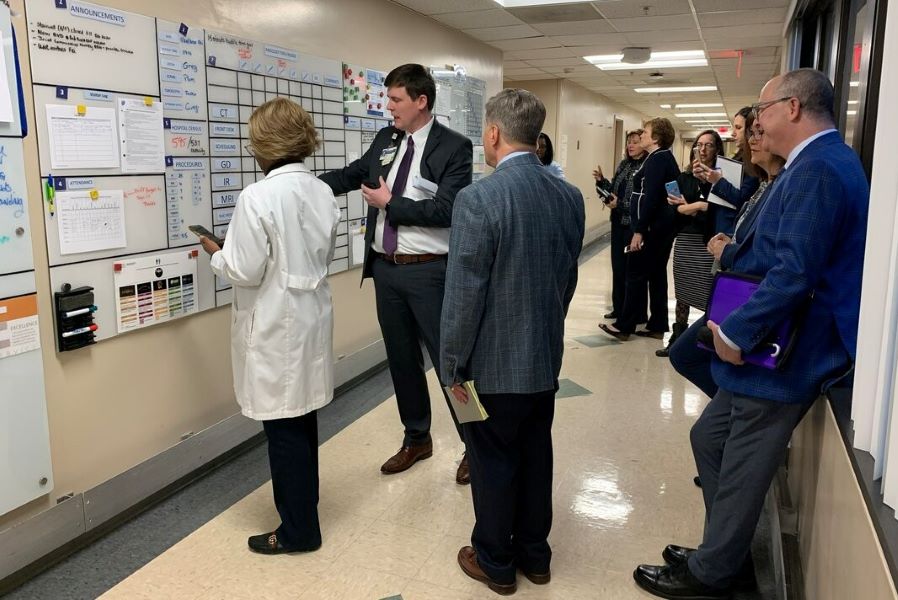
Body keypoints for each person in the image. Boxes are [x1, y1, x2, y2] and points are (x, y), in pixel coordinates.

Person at [635, 69, 869, 599]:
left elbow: (795, 272)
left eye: (762, 110)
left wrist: (737, 333)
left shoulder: (819, 169)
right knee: (709, 437)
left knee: (739, 462)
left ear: (793, 107)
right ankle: (726, 550)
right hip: (780, 340)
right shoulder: (816, 163)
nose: (756, 122)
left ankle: (715, 572)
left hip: (789, 351)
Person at [441, 88, 584, 595]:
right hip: (543, 359)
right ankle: (535, 555)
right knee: (535, 455)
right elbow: (566, 279)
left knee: (493, 460)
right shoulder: (569, 196)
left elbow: (464, 296)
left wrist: (451, 365)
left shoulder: (478, 199)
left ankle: (495, 561)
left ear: (494, 133)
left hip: (491, 366)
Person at [319, 64, 473, 483]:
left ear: (421, 101)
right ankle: (417, 438)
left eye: (395, 99)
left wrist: (390, 204)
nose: (388, 106)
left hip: (430, 273)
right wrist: (300, 183)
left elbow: (449, 210)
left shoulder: (454, 147)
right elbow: (352, 174)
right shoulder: (386, 139)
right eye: (388, 98)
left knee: (452, 364)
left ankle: (476, 445)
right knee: (402, 362)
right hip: (387, 271)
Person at [200, 98, 340, 555]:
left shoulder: (257, 196)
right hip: (309, 317)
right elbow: (317, 253)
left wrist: (217, 254)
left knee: (284, 433)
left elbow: (244, 269)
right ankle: (304, 515)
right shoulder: (320, 190)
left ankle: (298, 531)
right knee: (302, 422)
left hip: (277, 326)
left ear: (264, 144)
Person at [600, 118, 679, 341]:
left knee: (634, 273)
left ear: (655, 138)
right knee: (656, 275)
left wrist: (639, 230)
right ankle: (657, 324)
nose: (641, 135)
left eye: (645, 132)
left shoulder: (657, 160)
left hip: (651, 229)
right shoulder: (664, 158)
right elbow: (670, 192)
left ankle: (624, 326)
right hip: (662, 228)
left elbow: (650, 197)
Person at [657, 131, 724, 357]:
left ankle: (708, 340)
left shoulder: (720, 180)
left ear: (717, 149)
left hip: (708, 242)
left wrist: (691, 207)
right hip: (685, 240)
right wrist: (699, 207)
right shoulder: (684, 178)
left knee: (707, 291)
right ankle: (677, 338)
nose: (703, 150)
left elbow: (717, 213)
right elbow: (674, 211)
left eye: (709, 145)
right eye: (699, 145)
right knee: (682, 291)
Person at [594, 130, 646, 320]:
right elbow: (614, 190)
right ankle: (619, 309)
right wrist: (602, 182)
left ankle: (635, 313)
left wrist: (620, 205)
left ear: (644, 144)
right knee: (618, 268)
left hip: (634, 226)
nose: (630, 145)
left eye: (635, 142)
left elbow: (641, 201)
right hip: (617, 223)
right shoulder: (624, 164)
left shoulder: (645, 167)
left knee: (632, 270)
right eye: (628, 142)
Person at [694, 107, 760, 236]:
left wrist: (718, 181)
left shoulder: (753, 162)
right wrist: (705, 180)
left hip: (732, 230)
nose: (733, 133)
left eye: (738, 128)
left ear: (751, 129)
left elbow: (744, 201)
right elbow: (716, 199)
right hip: (720, 227)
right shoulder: (738, 158)